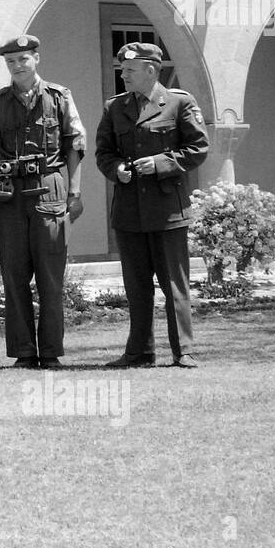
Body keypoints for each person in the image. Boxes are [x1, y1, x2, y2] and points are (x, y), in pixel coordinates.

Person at [0, 34, 86, 369]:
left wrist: (74, 192)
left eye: (23, 60)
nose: (17, 67)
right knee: (13, 277)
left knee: (50, 277)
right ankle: (23, 351)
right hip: (10, 194)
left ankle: (49, 352)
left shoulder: (59, 97)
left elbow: (75, 144)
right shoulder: (0, 100)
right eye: (11, 62)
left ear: (36, 59)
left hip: (49, 188)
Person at [94, 42, 210, 368]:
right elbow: (103, 152)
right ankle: (139, 352)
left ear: (150, 70)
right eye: (122, 70)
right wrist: (116, 169)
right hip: (129, 212)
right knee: (137, 286)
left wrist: (161, 163)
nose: (123, 75)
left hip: (167, 210)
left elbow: (199, 149)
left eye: (130, 70)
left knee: (175, 285)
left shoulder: (179, 103)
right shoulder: (114, 108)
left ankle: (182, 351)